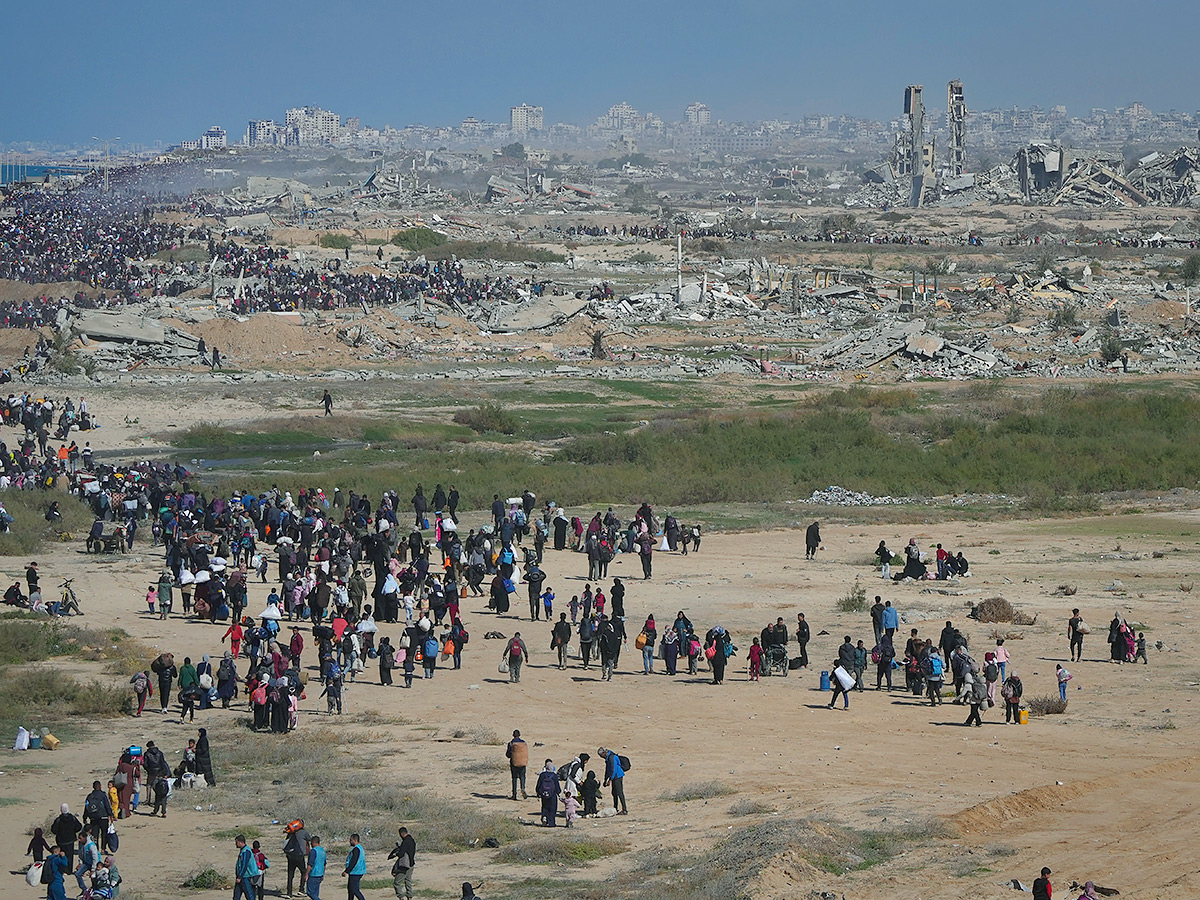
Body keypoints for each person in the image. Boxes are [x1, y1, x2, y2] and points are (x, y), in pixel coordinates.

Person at [284, 819, 311, 899]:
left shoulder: (290, 833)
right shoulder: (303, 832)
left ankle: (289, 893)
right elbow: (309, 839)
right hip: (299, 856)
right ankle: (301, 889)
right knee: (303, 872)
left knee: (290, 874)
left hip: (290, 855)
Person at [598, 747, 628, 815]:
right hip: (615, 776)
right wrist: (606, 779)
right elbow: (607, 769)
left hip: (617, 776)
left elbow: (613, 769)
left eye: (601, 756)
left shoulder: (612, 757)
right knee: (614, 793)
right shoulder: (608, 758)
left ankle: (624, 809)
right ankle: (615, 808)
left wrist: (610, 779)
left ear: (603, 753)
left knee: (619, 792)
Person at [388, 827, 416, 900]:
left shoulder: (405, 842)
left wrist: (395, 853)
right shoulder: (412, 840)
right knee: (408, 881)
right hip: (411, 864)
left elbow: (401, 854)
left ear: (402, 834)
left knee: (397, 882)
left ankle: (401, 897)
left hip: (404, 865)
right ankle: (409, 896)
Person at [50, 804, 81, 868]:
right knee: (70, 856)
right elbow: (79, 827)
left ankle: (63, 869)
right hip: (70, 841)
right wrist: (72, 832)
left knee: (61, 855)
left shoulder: (58, 820)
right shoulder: (72, 818)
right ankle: (69, 870)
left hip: (61, 841)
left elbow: (54, 830)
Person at [234, 835, 261, 900]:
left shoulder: (246, 851)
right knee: (236, 896)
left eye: (236, 842)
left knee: (249, 896)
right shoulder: (243, 850)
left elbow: (244, 865)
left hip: (246, 877)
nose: (235, 844)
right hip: (241, 877)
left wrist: (240, 877)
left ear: (241, 842)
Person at [506, 729, 528, 800]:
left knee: (514, 778)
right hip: (522, 762)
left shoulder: (511, 743)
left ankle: (514, 794)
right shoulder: (523, 742)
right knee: (522, 777)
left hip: (514, 763)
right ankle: (523, 788)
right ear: (519, 735)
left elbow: (508, 754)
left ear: (513, 735)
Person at [342, 833, 366, 900]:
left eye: (351, 840)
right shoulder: (359, 848)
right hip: (356, 872)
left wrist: (346, 871)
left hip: (356, 872)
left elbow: (353, 861)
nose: (349, 841)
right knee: (350, 890)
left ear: (355, 840)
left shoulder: (356, 849)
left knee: (355, 890)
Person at [536, 761, 560, 826]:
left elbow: (539, 785)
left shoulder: (542, 775)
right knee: (552, 808)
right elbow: (557, 786)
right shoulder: (554, 776)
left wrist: (538, 793)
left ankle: (544, 817)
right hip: (552, 794)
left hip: (544, 794)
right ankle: (551, 823)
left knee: (545, 806)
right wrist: (559, 793)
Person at [305, 835, 325, 900]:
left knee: (310, 892)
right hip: (320, 874)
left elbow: (310, 864)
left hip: (314, 874)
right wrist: (323, 874)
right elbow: (324, 864)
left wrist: (306, 874)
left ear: (313, 842)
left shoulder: (313, 851)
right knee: (315, 893)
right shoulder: (323, 851)